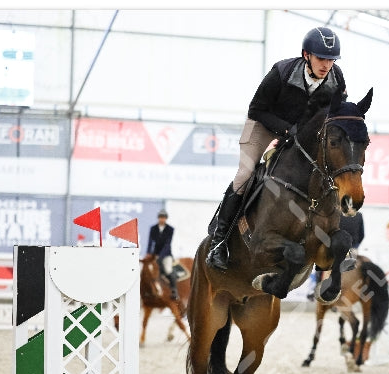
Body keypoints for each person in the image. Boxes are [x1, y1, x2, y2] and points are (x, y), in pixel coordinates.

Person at [206, 26, 347, 270]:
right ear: (307, 55)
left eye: (331, 59)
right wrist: (285, 130)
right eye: (321, 58)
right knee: (246, 174)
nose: (326, 65)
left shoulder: (336, 78)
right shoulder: (282, 72)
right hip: (263, 125)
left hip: (300, 133)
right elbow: (256, 110)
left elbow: (337, 116)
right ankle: (219, 242)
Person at [307, 212, 364, 301]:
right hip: (353, 250)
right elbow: (362, 235)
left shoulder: (335, 215)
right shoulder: (359, 215)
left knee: (320, 265)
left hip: (338, 248)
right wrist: (355, 247)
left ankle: (314, 289)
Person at [147, 209, 178, 300]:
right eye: (161, 217)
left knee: (168, 270)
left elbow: (167, 244)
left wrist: (160, 256)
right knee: (151, 271)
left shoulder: (170, 229)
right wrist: (149, 253)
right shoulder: (153, 228)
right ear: (158, 218)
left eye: (164, 218)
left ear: (166, 219)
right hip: (155, 254)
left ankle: (174, 290)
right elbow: (150, 242)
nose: (162, 219)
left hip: (166, 254)